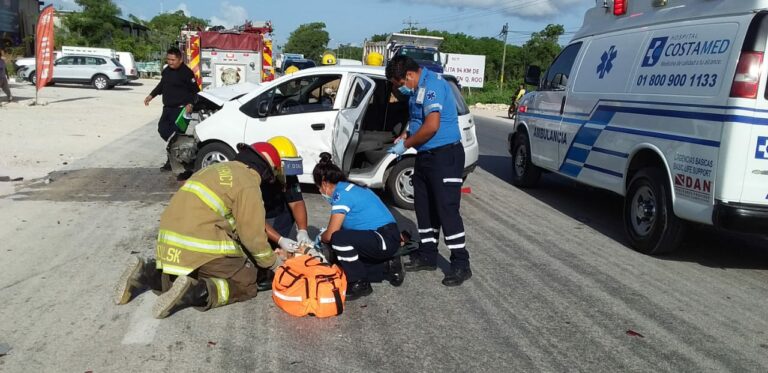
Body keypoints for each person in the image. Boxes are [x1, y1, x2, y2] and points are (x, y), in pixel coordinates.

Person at [114, 143, 283, 319]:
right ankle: (196, 292)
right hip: (199, 244)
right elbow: (252, 237)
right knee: (246, 282)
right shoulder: (248, 183)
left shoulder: (216, 169)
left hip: (169, 244)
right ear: (267, 172)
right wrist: (274, 264)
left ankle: (147, 273)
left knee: (178, 276)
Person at [385, 55, 471, 287]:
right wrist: (405, 135)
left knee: (446, 209)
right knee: (424, 207)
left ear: (410, 75)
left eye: (399, 83)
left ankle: (461, 263)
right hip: (426, 156)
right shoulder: (416, 90)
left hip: (445, 155)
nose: (399, 89)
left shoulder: (433, 86)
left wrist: (407, 144)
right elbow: (417, 121)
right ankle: (428, 255)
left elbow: (432, 126)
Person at [314, 153, 405, 300]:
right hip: (387, 236)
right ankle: (387, 266)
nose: (320, 192)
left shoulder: (341, 195)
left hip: (383, 237)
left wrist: (319, 238)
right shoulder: (351, 188)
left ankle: (359, 283)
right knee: (343, 257)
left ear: (324, 183)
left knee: (338, 239)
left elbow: (331, 234)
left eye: (319, 187)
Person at [144, 47, 200, 171]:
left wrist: (190, 104)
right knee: (163, 130)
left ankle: (175, 162)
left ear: (180, 60)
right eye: (168, 59)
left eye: (173, 60)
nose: (170, 62)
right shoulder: (167, 71)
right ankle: (186, 154)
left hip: (181, 111)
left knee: (176, 136)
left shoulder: (187, 73)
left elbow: (195, 92)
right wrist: (151, 95)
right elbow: (161, 85)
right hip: (168, 109)